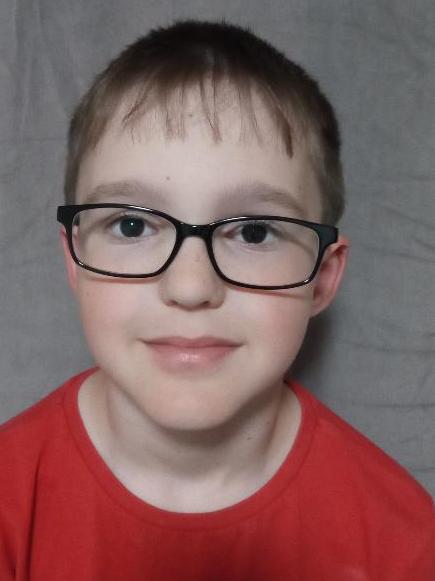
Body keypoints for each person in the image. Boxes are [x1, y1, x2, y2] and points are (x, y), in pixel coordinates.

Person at [0, 19, 433, 580]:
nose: (190, 287)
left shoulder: (405, 544)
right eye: (132, 225)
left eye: (254, 232)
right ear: (74, 260)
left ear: (322, 277)